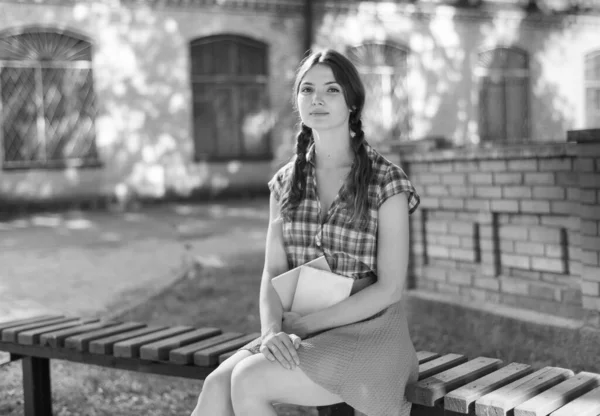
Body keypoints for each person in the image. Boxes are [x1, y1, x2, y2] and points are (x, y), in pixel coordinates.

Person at [189, 48, 421, 416]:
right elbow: (272, 271)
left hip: (370, 332)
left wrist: (305, 324)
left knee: (248, 380)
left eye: (331, 90)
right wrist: (271, 332)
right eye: (307, 90)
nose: (317, 99)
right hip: (302, 331)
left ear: (352, 103)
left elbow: (390, 288)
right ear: (298, 102)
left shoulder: (386, 181)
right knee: (216, 385)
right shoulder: (284, 182)